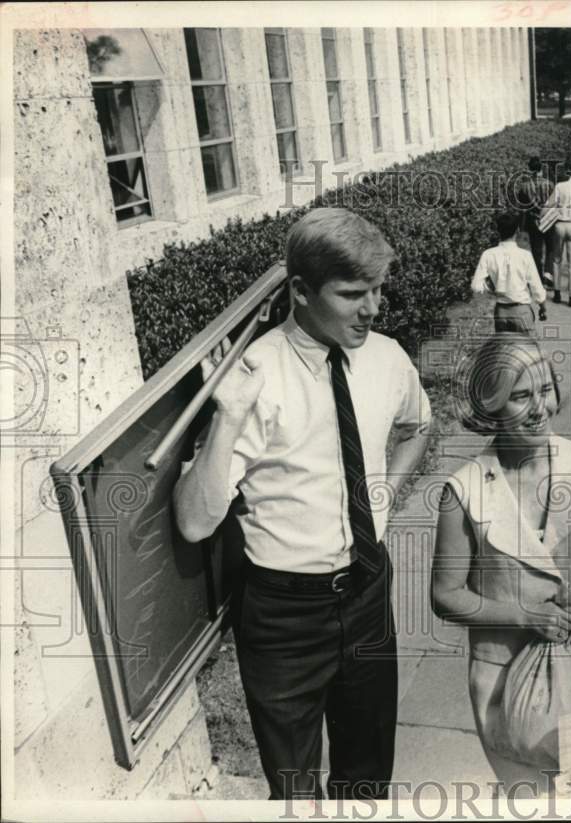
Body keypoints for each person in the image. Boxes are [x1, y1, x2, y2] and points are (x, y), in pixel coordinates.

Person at [173, 207, 432, 800]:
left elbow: (420, 424)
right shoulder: (254, 378)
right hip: (284, 615)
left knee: (367, 780)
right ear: (299, 291)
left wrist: (383, 495)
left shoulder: (387, 357)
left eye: (378, 290)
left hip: (367, 594)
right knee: (294, 793)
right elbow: (192, 521)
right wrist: (230, 416)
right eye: (352, 294)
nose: (372, 309)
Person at [431, 333, 571, 796]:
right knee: (528, 796)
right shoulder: (465, 490)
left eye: (545, 390)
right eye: (520, 396)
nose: (540, 407)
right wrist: (524, 614)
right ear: (490, 405)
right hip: (504, 675)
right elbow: (445, 595)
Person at [471, 211, 548, 333]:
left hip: (501, 313)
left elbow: (476, 286)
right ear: (517, 231)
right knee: (528, 350)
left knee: (504, 351)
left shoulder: (488, 254)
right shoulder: (525, 256)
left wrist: (492, 288)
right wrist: (542, 307)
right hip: (522, 312)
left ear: (498, 231)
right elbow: (536, 287)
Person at [544, 158, 571, 307]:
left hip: (559, 225)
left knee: (557, 259)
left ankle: (557, 291)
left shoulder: (560, 186)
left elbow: (548, 205)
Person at [515, 156, 556, 289]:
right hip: (548, 219)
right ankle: (548, 274)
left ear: (528, 169)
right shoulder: (549, 184)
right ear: (541, 169)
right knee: (550, 248)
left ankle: (538, 278)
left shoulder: (523, 186)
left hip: (533, 220)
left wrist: (521, 226)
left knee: (536, 250)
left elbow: (521, 207)